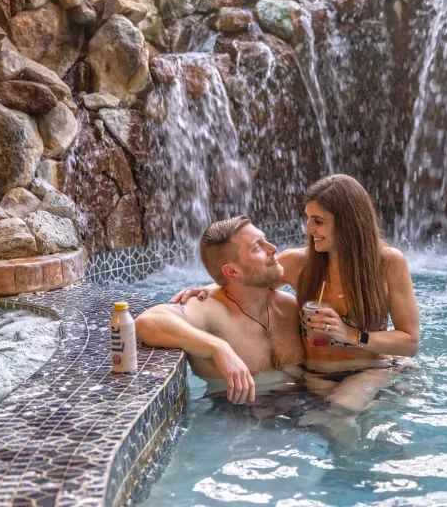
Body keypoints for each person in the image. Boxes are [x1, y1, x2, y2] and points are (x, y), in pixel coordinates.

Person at [172, 174, 420, 412]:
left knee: (340, 411)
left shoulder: (388, 262)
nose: (308, 228)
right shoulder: (297, 263)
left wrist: (352, 335)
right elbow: (249, 277)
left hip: (371, 368)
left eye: (319, 221)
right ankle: (379, 407)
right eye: (308, 218)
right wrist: (209, 289)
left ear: (348, 223)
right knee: (318, 421)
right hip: (316, 377)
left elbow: (410, 342)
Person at [135, 215, 304, 405]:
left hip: (306, 408)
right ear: (232, 272)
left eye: (265, 240)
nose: (272, 248)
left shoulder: (289, 308)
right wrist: (218, 348)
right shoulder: (212, 311)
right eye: (258, 247)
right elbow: (148, 321)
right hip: (239, 421)